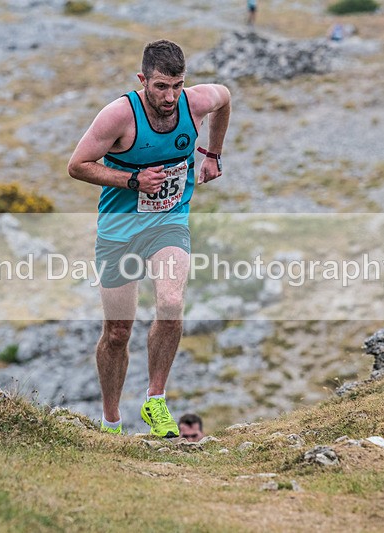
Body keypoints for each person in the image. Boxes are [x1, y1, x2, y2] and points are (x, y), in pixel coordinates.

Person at [68, 40, 231, 438]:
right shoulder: (119, 115)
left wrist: (212, 153)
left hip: (168, 223)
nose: (170, 96)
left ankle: (155, 401)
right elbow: (77, 166)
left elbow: (225, 100)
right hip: (119, 231)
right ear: (143, 80)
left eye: (177, 85)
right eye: (160, 86)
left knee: (172, 302)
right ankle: (110, 422)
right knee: (118, 332)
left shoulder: (195, 103)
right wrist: (132, 180)